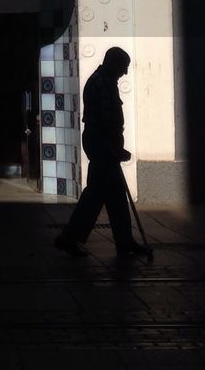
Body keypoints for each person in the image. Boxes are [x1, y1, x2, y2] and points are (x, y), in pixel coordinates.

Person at [55, 46, 149, 258]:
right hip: (102, 145)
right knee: (98, 194)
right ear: (112, 63)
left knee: (112, 195)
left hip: (104, 144)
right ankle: (71, 238)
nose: (124, 73)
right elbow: (104, 121)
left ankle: (123, 240)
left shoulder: (105, 81)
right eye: (123, 67)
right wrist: (114, 148)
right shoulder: (101, 83)